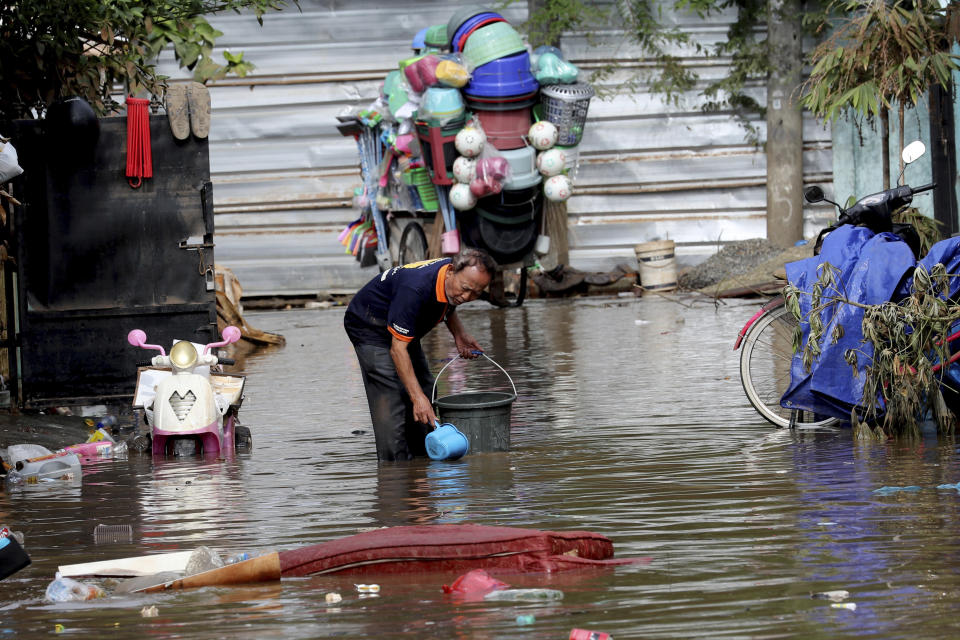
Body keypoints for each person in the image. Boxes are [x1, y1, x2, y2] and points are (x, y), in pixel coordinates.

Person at [344, 248, 497, 461]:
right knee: (392, 394)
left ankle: (423, 456)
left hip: (403, 325)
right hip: (369, 325)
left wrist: (459, 334)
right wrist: (417, 398)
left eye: (476, 293)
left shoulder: (449, 279)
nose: (467, 297)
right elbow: (398, 349)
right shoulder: (415, 289)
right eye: (465, 289)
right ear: (451, 271)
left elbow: (449, 300)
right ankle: (394, 467)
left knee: (426, 388)